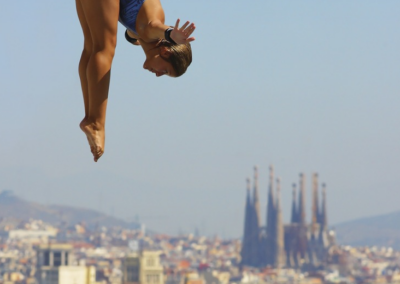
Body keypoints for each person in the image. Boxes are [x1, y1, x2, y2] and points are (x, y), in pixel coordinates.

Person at [76, 0, 195, 162]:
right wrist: (170, 33)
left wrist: (163, 36)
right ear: (166, 52)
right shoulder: (150, 28)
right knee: (104, 48)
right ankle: (96, 123)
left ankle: (91, 118)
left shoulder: (141, 35)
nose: (158, 75)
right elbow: (153, 26)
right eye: (165, 71)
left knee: (92, 47)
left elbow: (133, 35)